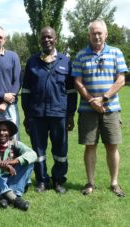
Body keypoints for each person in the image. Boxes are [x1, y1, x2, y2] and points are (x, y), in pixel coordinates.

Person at [72, 19, 127, 197]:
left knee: (112, 146)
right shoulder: (81, 55)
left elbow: (121, 80)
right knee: (90, 146)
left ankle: (114, 183)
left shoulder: (116, 53)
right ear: (88, 35)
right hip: (88, 110)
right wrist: (91, 101)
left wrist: (103, 98)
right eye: (93, 33)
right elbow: (77, 81)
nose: (96, 36)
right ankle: (90, 183)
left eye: (99, 33)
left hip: (111, 108)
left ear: (106, 34)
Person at [21, 26, 77, 194]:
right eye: (43, 37)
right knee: (38, 151)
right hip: (37, 115)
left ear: (56, 39)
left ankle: (59, 181)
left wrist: (70, 115)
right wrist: (27, 115)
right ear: (40, 40)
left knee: (61, 150)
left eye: (50, 37)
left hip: (59, 114)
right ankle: (42, 181)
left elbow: (72, 92)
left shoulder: (65, 61)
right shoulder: (32, 62)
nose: (47, 40)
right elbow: (25, 92)